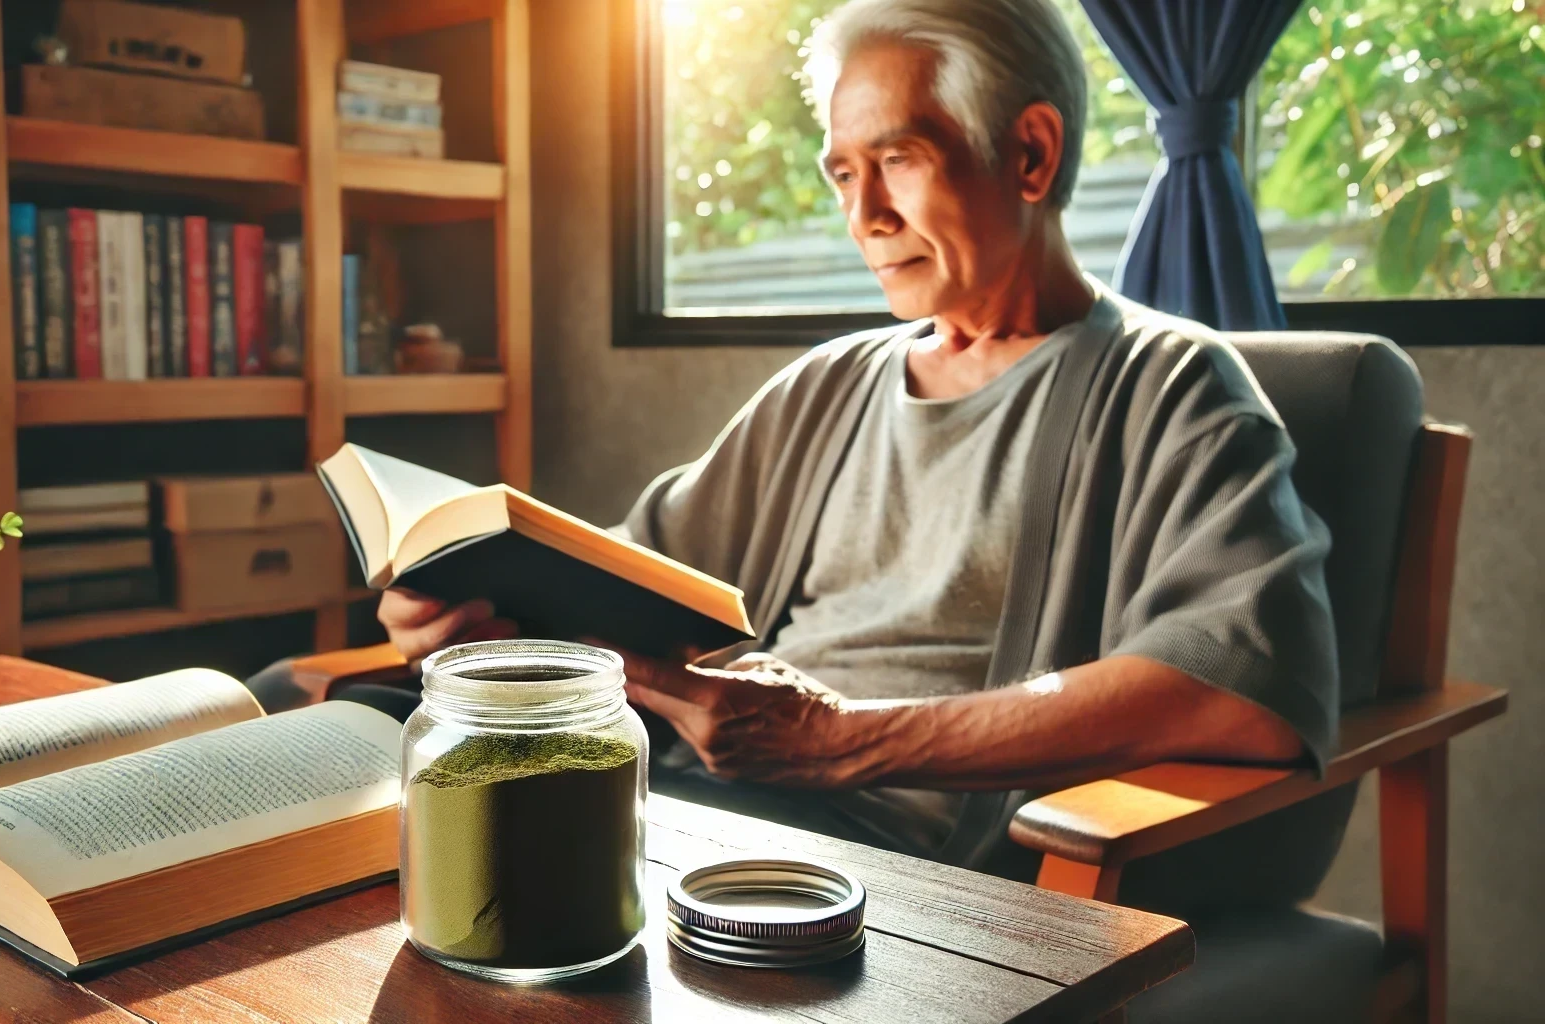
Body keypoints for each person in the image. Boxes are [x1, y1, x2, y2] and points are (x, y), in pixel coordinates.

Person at [371, 0, 1351, 913]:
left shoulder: (1174, 386)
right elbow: (630, 579)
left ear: (1031, 154)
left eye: (900, 158)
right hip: (687, 809)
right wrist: (470, 610)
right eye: (843, 171)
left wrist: (838, 740)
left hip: (917, 877)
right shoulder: (828, 385)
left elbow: (1243, 690)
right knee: (323, 721)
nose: (864, 215)